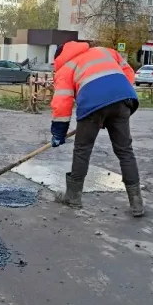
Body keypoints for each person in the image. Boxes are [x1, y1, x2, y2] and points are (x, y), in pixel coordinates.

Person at [50, 41, 144, 217]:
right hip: (123, 99)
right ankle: (137, 203)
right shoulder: (105, 51)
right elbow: (128, 73)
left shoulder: (66, 67)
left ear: (58, 58)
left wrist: (58, 132)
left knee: (82, 150)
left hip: (92, 104)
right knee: (125, 151)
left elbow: (62, 101)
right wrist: (114, 100)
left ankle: (73, 197)